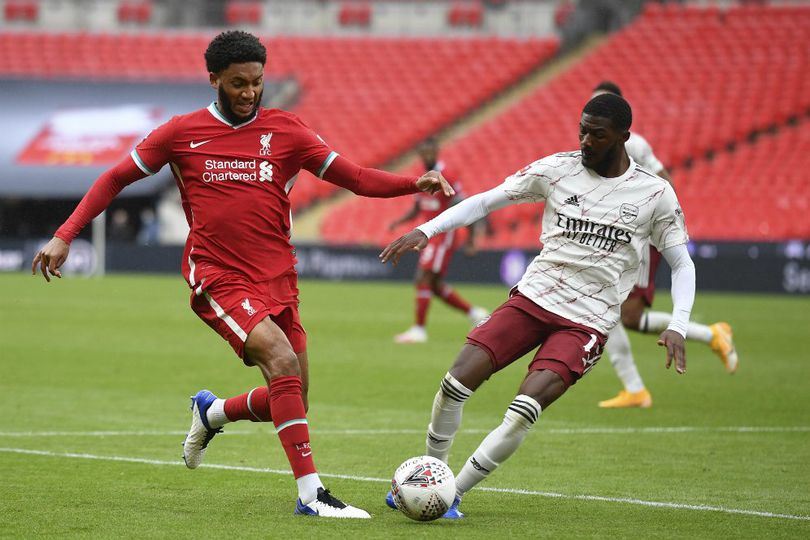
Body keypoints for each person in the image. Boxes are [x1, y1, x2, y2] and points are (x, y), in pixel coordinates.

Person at [31, 30, 454, 519]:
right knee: (281, 361)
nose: (249, 92)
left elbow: (355, 178)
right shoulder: (181, 133)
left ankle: (211, 413)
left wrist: (411, 183)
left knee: (292, 397)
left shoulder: (288, 131)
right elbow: (114, 178)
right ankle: (313, 495)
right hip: (216, 273)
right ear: (213, 78)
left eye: (256, 82)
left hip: (277, 277)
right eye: (238, 83)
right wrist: (65, 234)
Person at [379, 93, 695, 518]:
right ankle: (431, 473)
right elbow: (487, 200)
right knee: (454, 384)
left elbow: (681, 262)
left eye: (597, 134)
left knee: (523, 410)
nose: (585, 140)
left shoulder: (654, 194)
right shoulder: (557, 169)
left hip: (586, 322)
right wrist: (427, 229)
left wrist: (678, 323)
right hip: (532, 299)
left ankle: (451, 494)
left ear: (624, 137)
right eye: (582, 130)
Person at [591, 81, 738, 409]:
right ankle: (636, 388)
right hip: (619, 236)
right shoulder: (598, 146)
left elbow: (664, 181)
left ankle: (710, 336)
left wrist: (659, 225)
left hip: (640, 238)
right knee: (609, 311)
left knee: (623, 315)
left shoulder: (635, 144)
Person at [388, 137, 489, 343]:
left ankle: (419, 329)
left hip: (443, 234)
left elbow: (462, 205)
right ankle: (475, 313)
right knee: (433, 285)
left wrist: (471, 237)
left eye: (429, 152)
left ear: (436, 151)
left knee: (422, 278)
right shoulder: (422, 176)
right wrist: (399, 222)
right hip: (429, 234)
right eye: (422, 153)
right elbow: (419, 206)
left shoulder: (447, 175)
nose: (426, 156)